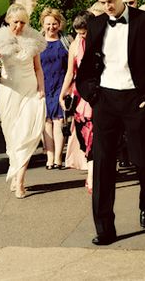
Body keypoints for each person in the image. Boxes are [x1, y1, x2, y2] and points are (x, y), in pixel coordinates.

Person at [76, 0, 145, 245]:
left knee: (143, 160)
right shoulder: (95, 26)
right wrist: (92, 95)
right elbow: (85, 69)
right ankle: (104, 229)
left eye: (110, 1)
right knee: (103, 165)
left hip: (136, 101)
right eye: (101, 2)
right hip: (105, 101)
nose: (107, 6)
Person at [0, 3, 47, 199]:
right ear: (8, 20)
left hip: (30, 91)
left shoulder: (33, 39)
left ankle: (20, 181)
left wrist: (42, 89)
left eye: (22, 22)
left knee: (26, 134)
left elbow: (38, 68)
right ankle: (15, 169)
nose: (19, 26)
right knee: (12, 136)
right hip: (9, 91)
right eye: (15, 22)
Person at [59, 10, 94, 192]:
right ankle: (91, 171)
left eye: (84, 32)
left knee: (97, 136)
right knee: (85, 134)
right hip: (81, 96)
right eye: (79, 32)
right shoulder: (75, 45)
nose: (81, 36)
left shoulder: (101, 42)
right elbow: (70, 73)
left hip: (100, 94)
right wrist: (63, 93)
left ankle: (93, 174)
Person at [39, 7, 70, 170]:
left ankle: (58, 158)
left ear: (59, 24)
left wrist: (68, 89)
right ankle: (49, 157)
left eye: (54, 24)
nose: (51, 27)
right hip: (43, 87)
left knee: (59, 122)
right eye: (48, 24)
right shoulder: (37, 43)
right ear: (43, 24)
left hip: (60, 87)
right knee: (46, 123)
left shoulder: (66, 42)